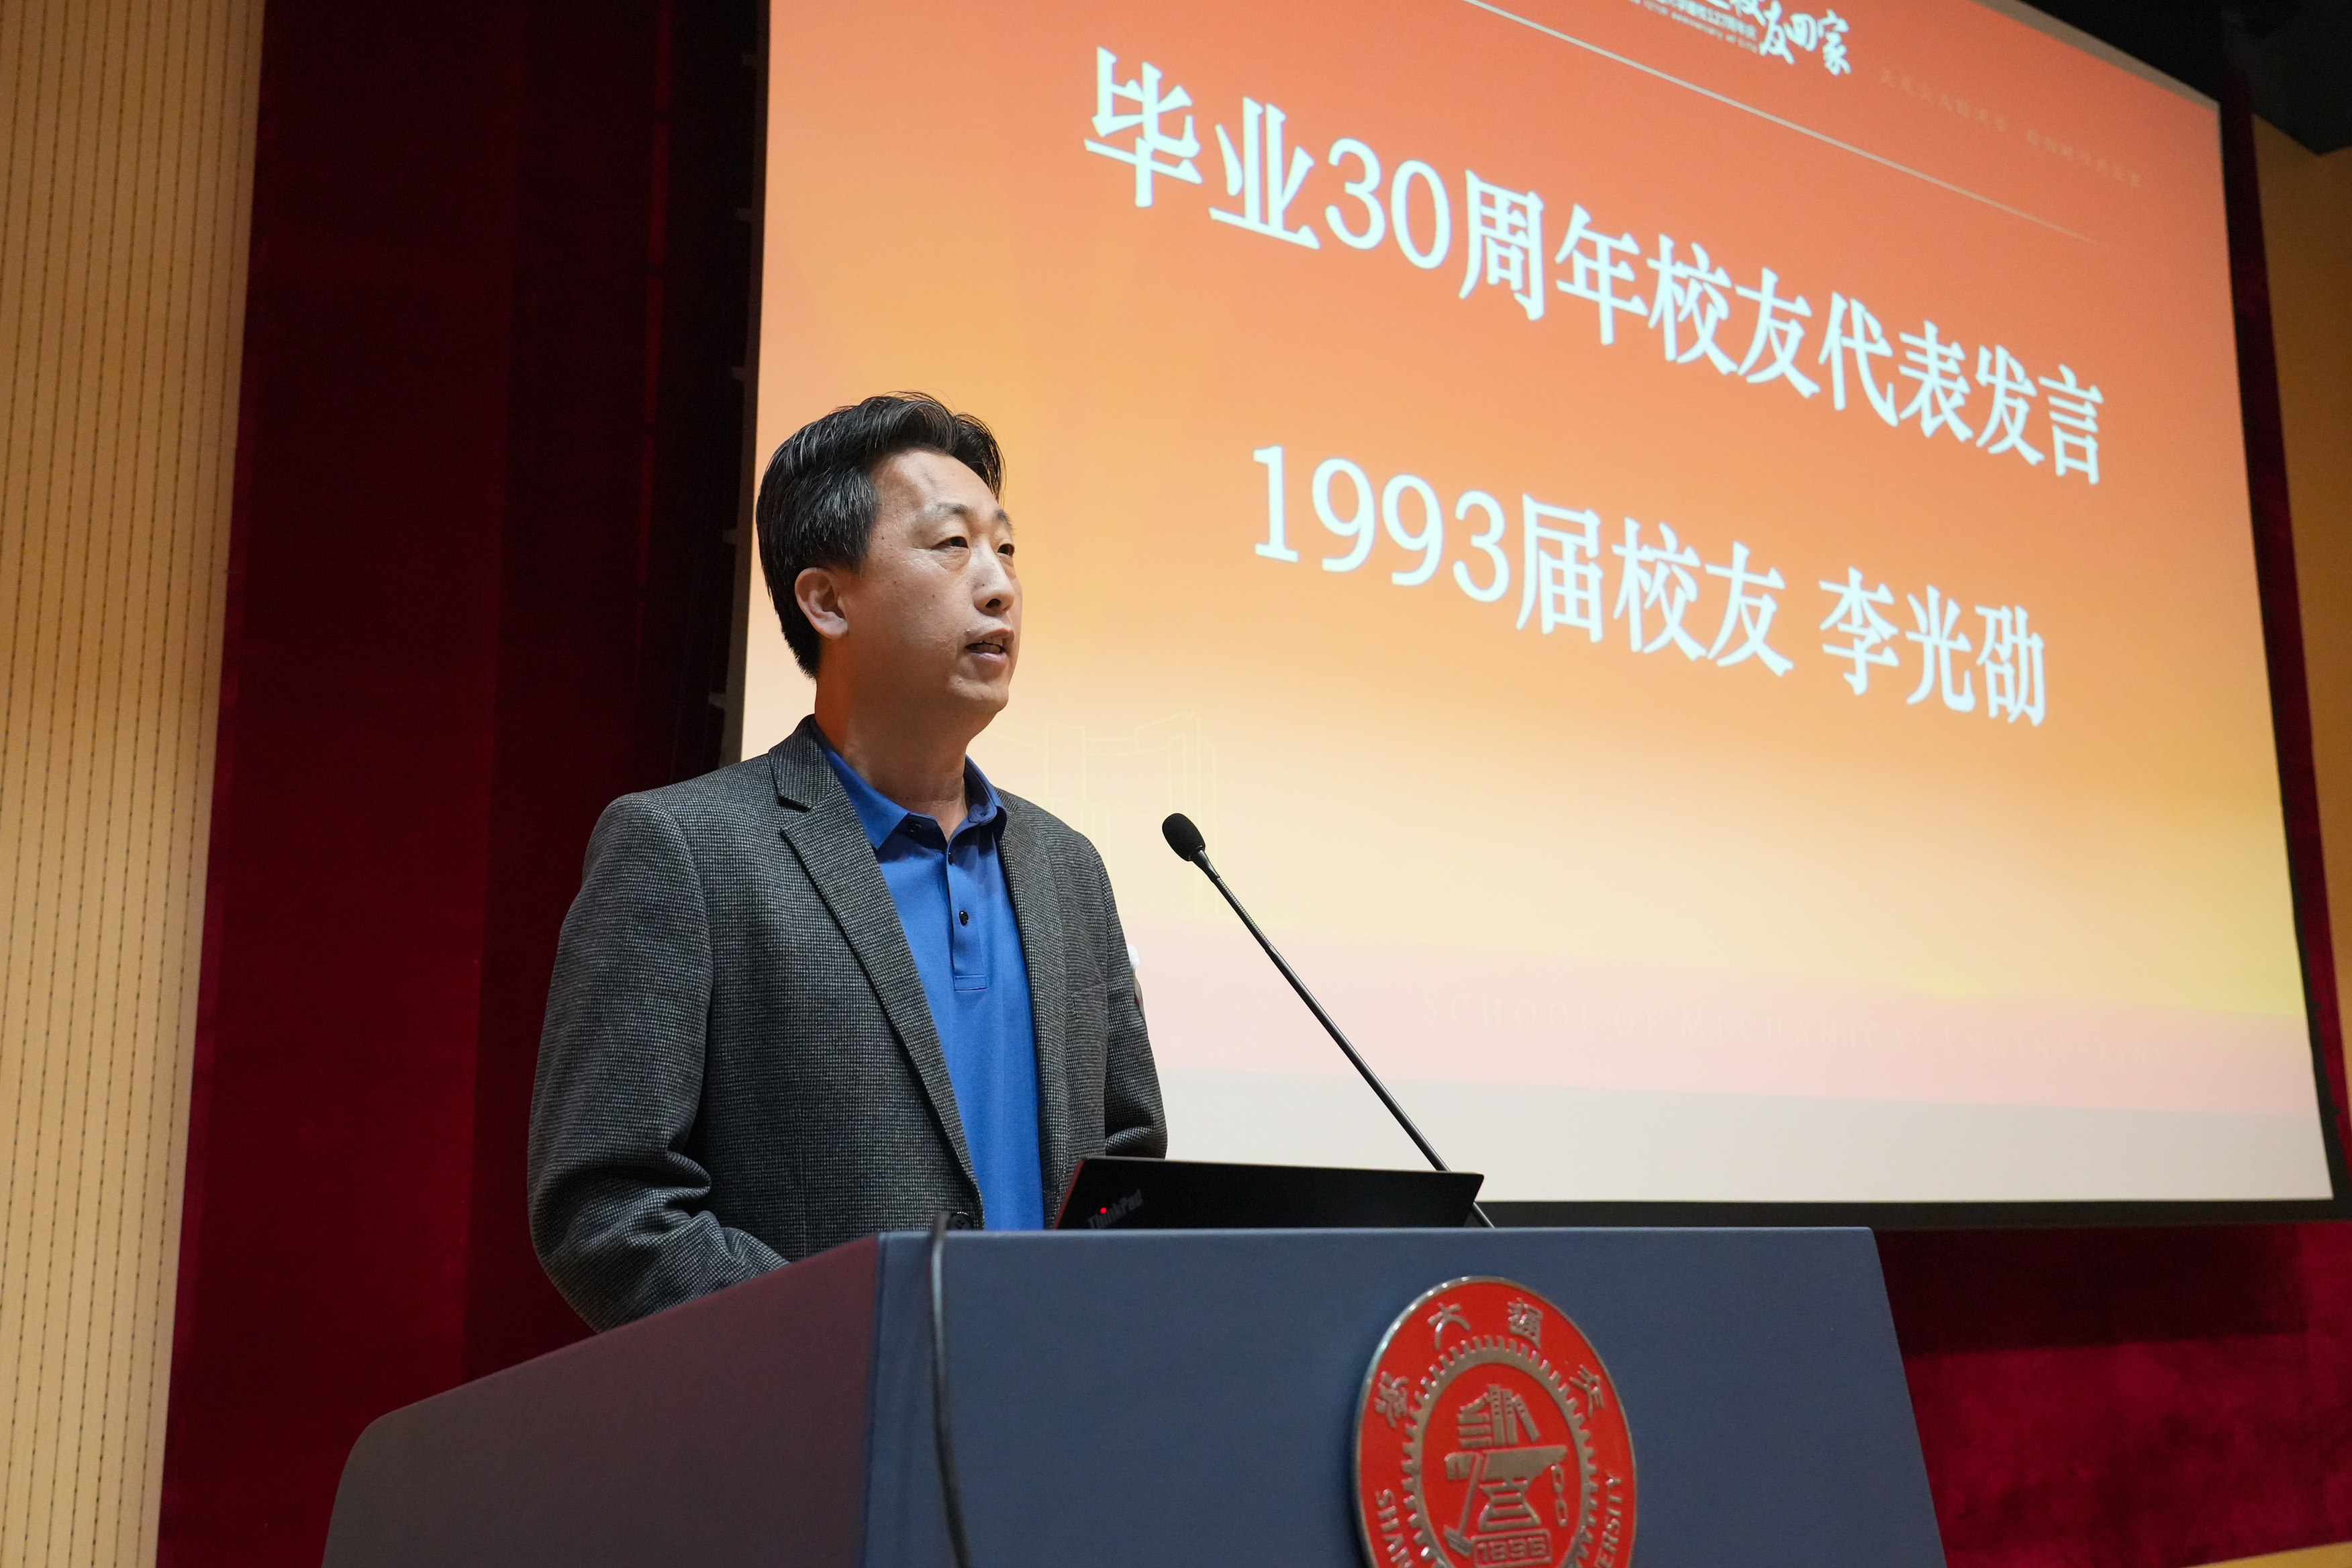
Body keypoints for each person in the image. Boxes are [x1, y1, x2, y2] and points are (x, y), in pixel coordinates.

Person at [528, 393, 1165, 1331]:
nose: (999, 585)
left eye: (1007, 549)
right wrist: (847, 1348)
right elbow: (608, 1209)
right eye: (953, 545)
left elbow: (1127, 1164)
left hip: (1050, 1401)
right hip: (820, 1410)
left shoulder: (1067, 869)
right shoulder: (687, 849)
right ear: (827, 601)